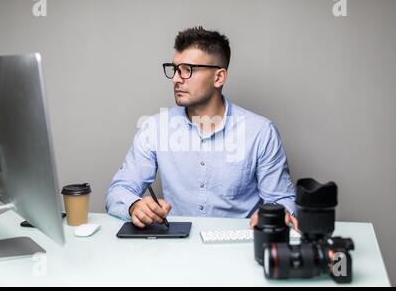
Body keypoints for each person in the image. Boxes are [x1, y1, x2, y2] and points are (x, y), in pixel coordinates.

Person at [106, 26, 298, 230]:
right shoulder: (155, 128)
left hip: (238, 248)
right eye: (175, 69)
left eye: (187, 69)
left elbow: (283, 199)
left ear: (219, 77)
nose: (176, 79)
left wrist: (276, 214)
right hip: (176, 247)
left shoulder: (260, 132)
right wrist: (134, 206)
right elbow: (118, 191)